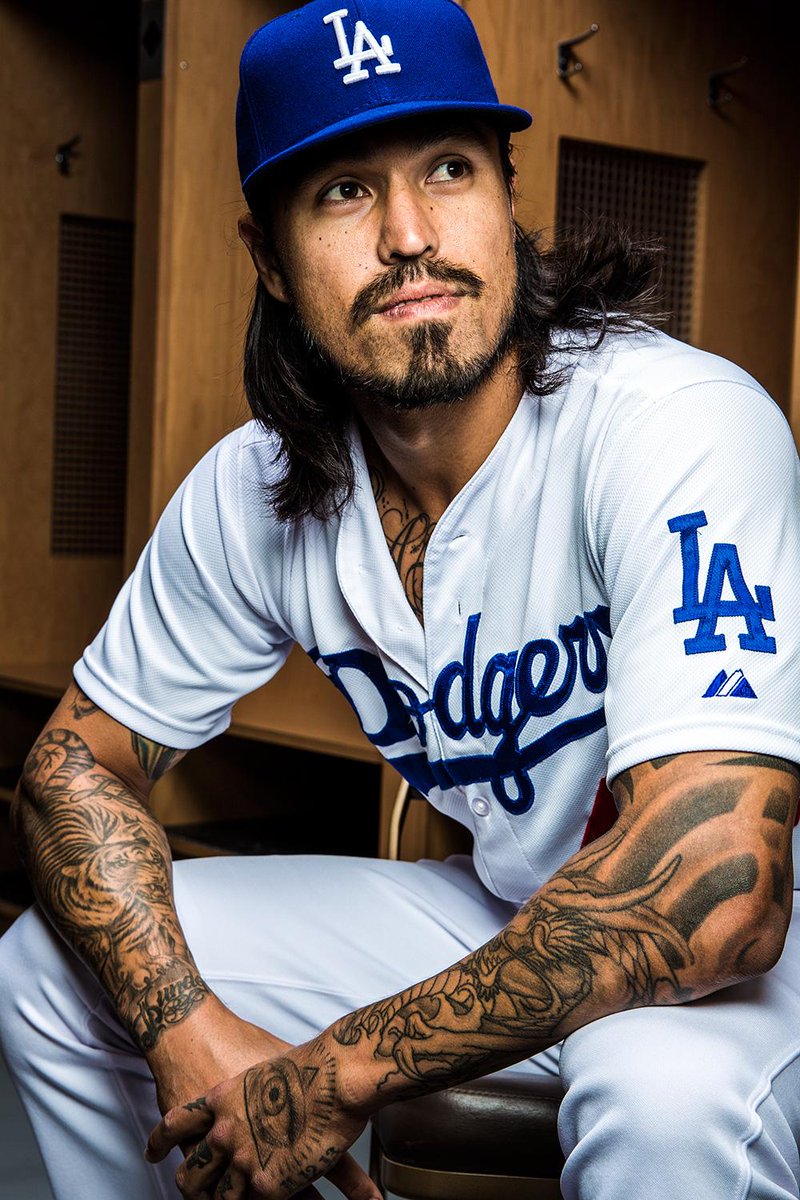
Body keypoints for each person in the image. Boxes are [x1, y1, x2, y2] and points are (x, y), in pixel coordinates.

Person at [2, 0, 799, 1196]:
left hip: (759, 967)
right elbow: (70, 767)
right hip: (515, 912)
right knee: (46, 973)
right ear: (269, 257)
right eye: (341, 192)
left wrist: (327, 1076)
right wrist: (187, 1032)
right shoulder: (256, 490)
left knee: (658, 1095)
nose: (410, 234)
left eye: (446, 169)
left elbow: (717, 891)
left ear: (503, 199)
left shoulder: (671, 421)